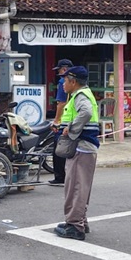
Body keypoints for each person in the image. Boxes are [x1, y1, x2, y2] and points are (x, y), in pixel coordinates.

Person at [54, 66, 101, 240]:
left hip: (82, 146)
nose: (63, 84)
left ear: (73, 82)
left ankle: (75, 226)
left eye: (65, 81)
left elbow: (87, 112)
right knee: (80, 186)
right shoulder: (81, 95)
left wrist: (71, 129)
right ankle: (79, 221)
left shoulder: (81, 96)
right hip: (84, 147)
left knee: (75, 187)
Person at [49, 58, 73, 187]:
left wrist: (56, 120)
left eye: (59, 70)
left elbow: (61, 103)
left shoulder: (63, 82)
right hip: (73, 120)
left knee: (58, 151)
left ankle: (59, 176)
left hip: (64, 120)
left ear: (64, 69)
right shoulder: (77, 84)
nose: (58, 73)